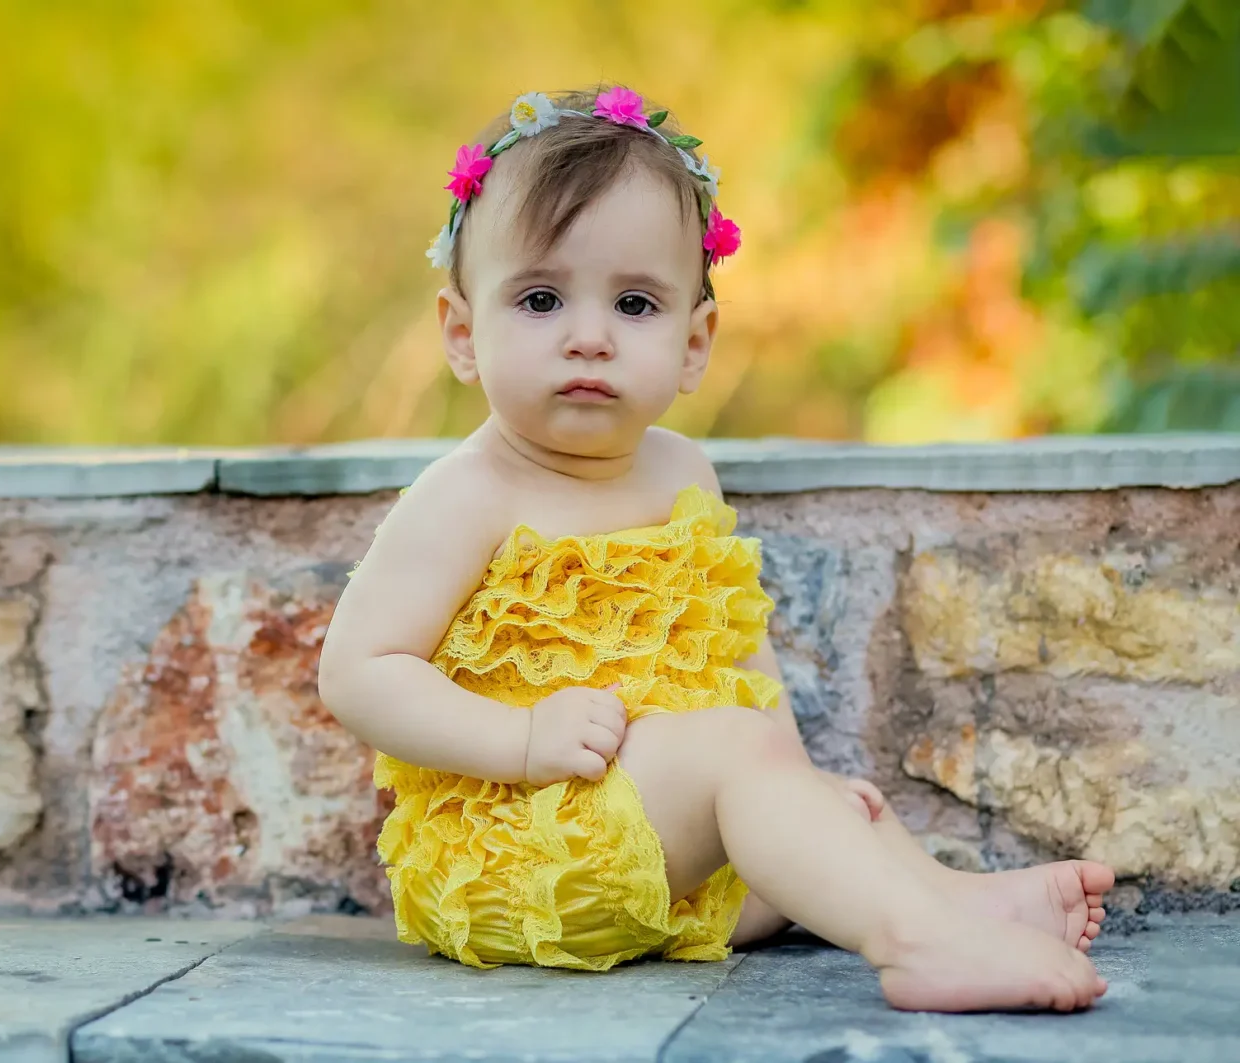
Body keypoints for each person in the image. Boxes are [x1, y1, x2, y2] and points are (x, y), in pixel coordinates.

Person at [318, 86, 1112, 1012]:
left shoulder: (683, 472)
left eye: (635, 303)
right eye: (540, 298)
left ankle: (964, 900)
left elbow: (736, 644)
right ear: (463, 332)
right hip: (525, 854)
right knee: (746, 761)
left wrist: (789, 779)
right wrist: (523, 736)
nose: (589, 336)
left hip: (661, 850)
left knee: (826, 805)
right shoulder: (467, 494)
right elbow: (358, 670)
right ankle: (920, 941)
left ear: (694, 344)